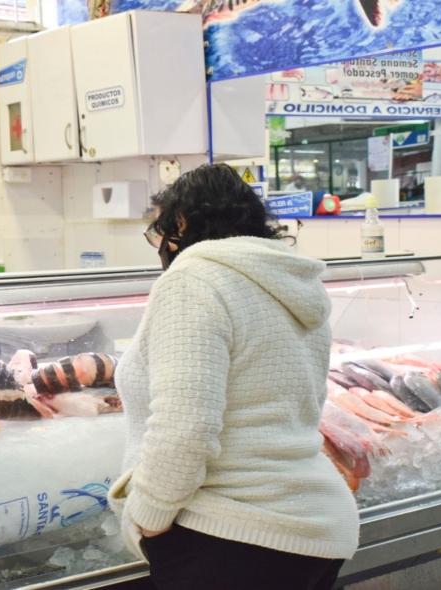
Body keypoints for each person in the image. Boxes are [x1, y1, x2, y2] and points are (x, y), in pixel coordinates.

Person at [108, 164, 359, 589]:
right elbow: (306, 407)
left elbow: (185, 425)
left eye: (160, 231)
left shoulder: (193, 279)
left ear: (182, 223)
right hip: (317, 529)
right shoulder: (293, 281)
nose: (161, 246)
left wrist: (148, 517)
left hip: (230, 536)